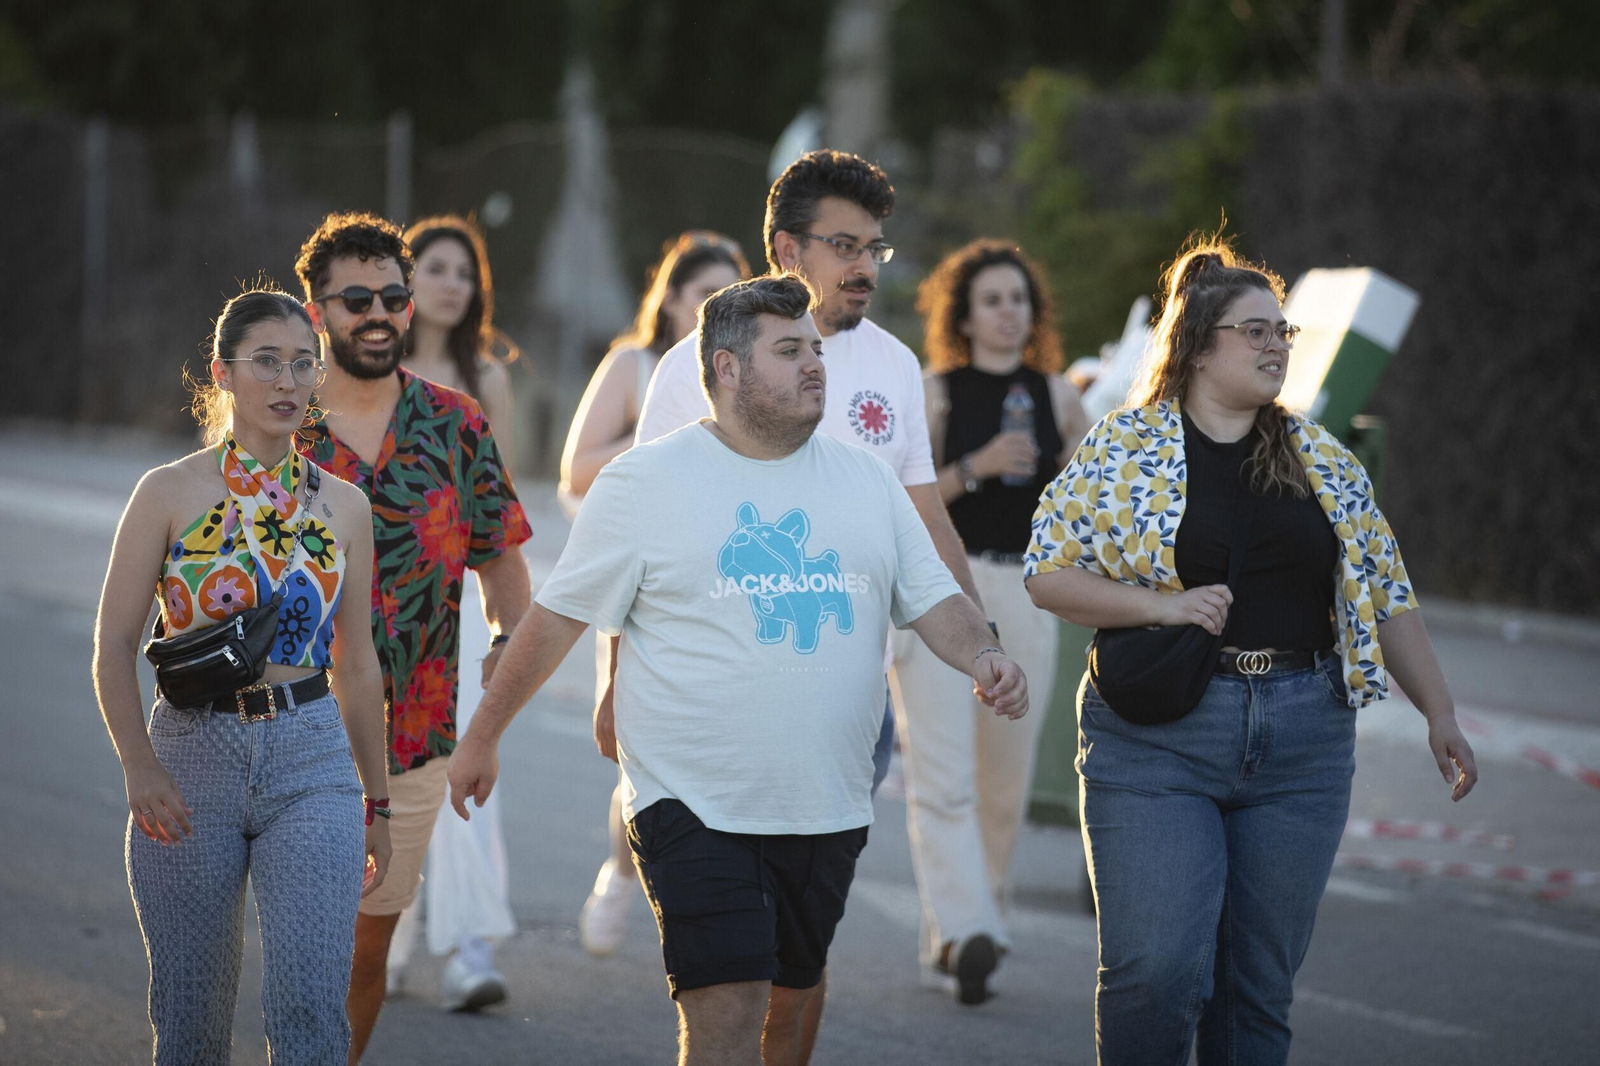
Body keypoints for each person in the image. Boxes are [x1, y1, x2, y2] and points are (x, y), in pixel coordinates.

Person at [447, 274, 1029, 1066]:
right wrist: (482, 737)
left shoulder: (865, 480)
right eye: (788, 351)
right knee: (725, 1017)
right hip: (691, 800)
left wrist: (986, 652)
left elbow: (934, 599)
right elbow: (555, 621)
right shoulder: (645, 482)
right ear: (725, 368)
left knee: (787, 1016)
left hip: (827, 805)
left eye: (815, 350)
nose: (814, 366)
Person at [1023, 239, 1480, 1065]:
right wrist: (1159, 607)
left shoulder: (1325, 461)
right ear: (1197, 348)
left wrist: (1439, 712)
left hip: (1304, 740)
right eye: (1253, 331)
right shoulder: (1125, 448)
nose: (1275, 345)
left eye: (1284, 332)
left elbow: (1388, 595)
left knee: (1255, 992)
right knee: (1155, 973)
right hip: (1158, 737)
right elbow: (1046, 573)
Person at [92, 286, 392, 1064]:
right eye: (267, 362)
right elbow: (114, 641)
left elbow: (357, 663)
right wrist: (138, 764)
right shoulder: (168, 491)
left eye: (303, 363)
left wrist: (378, 801)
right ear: (223, 373)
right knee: (190, 1021)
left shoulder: (345, 506)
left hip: (312, 755)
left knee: (308, 1015)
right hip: (190, 757)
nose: (288, 382)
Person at [290, 211, 534, 1063]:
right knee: (301, 946)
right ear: (316, 311)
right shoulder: (280, 428)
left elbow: (506, 576)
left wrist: (491, 716)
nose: (380, 312)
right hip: (283, 729)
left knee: (364, 949)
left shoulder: (456, 425)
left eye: (392, 295)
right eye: (355, 298)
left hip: (416, 740)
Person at [892, 239, 1089, 1005]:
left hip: (1027, 591)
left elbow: (1083, 501)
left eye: (1020, 299)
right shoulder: (935, 391)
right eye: (994, 300)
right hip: (943, 591)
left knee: (1003, 783)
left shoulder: (1060, 396)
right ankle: (959, 930)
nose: (1011, 312)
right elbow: (909, 495)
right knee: (944, 774)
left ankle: (976, 929)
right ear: (963, 315)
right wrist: (975, 467)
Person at [558, 228, 750, 958]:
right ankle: (618, 868)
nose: (715, 309)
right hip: (637, 577)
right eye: (703, 295)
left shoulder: (748, 371)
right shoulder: (636, 364)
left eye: (729, 295)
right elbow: (575, 471)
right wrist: (662, 436)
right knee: (642, 744)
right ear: (670, 299)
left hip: (723, 579)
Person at [381, 215, 522, 1010]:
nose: (448, 283)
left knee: (464, 765)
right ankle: (386, 939)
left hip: (458, 603)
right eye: (433, 268)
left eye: (462, 273)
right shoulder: (369, 368)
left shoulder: (486, 379)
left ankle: (472, 949)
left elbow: (493, 509)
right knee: (383, 772)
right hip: (373, 605)